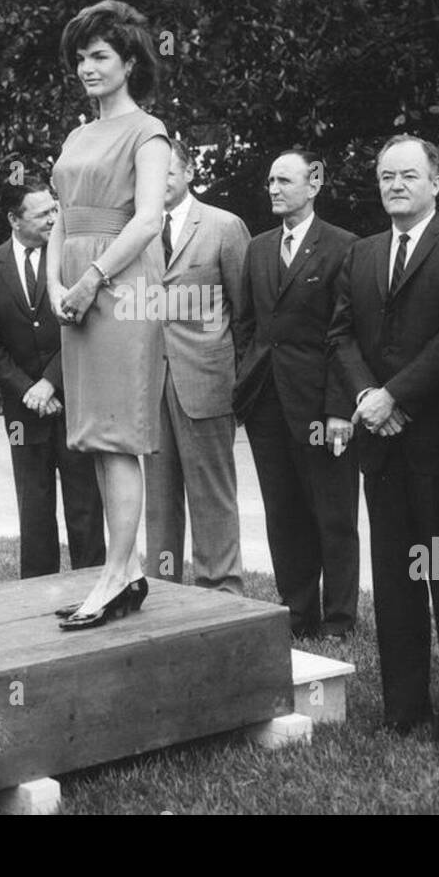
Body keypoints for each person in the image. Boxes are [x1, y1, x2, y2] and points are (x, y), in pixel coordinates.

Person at [329, 135, 439, 739]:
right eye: (386, 175)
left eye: (408, 176)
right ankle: (403, 709)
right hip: (382, 443)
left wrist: (398, 395)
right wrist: (371, 398)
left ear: (436, 184)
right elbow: (339, 335)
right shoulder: (362, 253)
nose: (395, 185)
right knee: (395, 582)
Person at [47, 0, 171, 629]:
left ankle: (117, 574)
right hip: (76, 290)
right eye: (80, 58)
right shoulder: (76, 135)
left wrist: (93, 278)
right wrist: (54, 282)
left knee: (118, 436)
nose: (86, 67)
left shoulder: (147, 131)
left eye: (99, 56)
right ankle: (126, 571)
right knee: (95, 434)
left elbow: (148, 220)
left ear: (128, 61)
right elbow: (60, 217)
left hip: (120, 287)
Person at [233, 150, 358, 640]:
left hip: (320, 407)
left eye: (285, 180)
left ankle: (340, 619)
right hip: (267, 403)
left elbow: (346, 334)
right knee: (283, 513)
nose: (274, 189)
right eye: (270, 181)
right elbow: (248, 326)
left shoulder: (344, 247)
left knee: (333, 512)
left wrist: (337, 410)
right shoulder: (259, 248)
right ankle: (298, 612)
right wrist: (248, 381)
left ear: (315, 182)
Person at [0, 175, 104, 579]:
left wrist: (51, 381)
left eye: (55, 209)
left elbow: (88, 325)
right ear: (14, 219)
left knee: (84, 505)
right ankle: (37, 595)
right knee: (33, 509)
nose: (53, 218)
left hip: (73, 400)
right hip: (22, 412)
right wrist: (29, 391)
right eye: (43, 212)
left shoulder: (72, 258)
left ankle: (94, 586)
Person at [144, 140, 250, 594]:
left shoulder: (224, 227)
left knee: (212, 494)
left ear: (189, 172)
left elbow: (246, 313)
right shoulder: (139, 229)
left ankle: (221, 589)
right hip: (151, 381)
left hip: (206, 380)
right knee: (159, 498)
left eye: (168, 172)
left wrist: (242, 386)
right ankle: (162, 587)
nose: (159, 181)